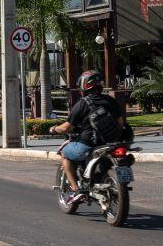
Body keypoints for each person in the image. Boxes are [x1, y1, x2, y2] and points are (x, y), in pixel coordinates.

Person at [49, 70, 125, 205]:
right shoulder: (110, 101)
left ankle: (76, 189)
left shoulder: (82, 104)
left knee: (64, 153)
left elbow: (66, 128)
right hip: (110, 144)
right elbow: (120, 124)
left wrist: (54, 129)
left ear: (83, 87)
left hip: (88, 145)